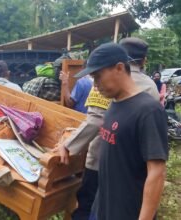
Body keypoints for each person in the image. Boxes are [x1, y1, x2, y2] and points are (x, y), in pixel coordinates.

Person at [55, 38, 162, 220]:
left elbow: (157, 172)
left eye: (97, 76)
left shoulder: (149, 110)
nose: (95, 85)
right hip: (105, 199)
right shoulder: (114, 105)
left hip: (127, 202)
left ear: (120, 68)